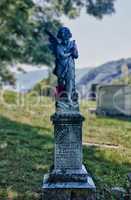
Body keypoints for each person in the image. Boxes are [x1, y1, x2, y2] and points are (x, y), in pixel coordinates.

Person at [53, 27, 78, 103]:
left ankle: (69, 97)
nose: (64, 40)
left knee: (69, 80)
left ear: (68, 36)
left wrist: (73, 50)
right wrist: (70, 53)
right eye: (62, 38)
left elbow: (76, 55)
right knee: (61, 81)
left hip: (69, 65)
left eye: (66, 38)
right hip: (61, 66)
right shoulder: (59, 46)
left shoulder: (72, 44)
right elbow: (61, 55)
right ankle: (61, 97)